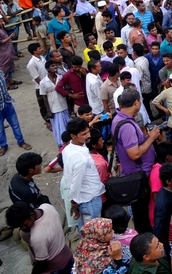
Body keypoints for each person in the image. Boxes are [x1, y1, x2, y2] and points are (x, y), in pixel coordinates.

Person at [112, 88, 160, 233]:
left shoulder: (122, 119)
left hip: (137, 174)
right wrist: (151, 138)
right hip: (138, 176)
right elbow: (134, 154)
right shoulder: (126, 126)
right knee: (142, 215)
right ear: (136, 102)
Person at [5, 201, 74, 274]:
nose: (22, 228)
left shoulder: (38, 238)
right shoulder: (47, 207)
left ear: (31, 215)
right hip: (68, 256)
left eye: (24, 224)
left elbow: (42, 263)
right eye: (19, 226)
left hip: (56, 268)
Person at [63, 118, 106, 231]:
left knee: (85, 230)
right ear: (73, 136)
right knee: (93, 234)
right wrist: (74, 203)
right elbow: (76, 182)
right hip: (89, 199)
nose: (88, 135)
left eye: (88, 132)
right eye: (84, 134)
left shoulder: (68, 149)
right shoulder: (80, 158)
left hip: (85, 198)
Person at [0, 60, 31, 155]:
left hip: (7, 103)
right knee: (0, 129)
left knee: (15, 125)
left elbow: (4, 86)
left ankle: (21, 142)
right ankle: (3, 146)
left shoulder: (0, 73)